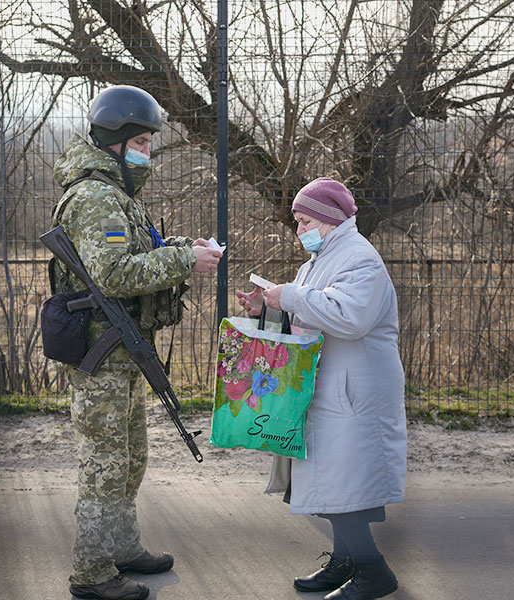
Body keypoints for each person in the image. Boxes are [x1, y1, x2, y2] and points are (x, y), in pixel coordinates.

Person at [50, 85, 223, 600]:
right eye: (143, 142)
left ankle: (120, 548)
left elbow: (136, 255)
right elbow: (113, 274)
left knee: (130, 459)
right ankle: (91, 572)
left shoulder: (118, 196)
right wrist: (184, 262)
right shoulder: (96, 197)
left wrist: (176, 250)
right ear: (116, 142)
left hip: (123, 356)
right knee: (105, 464)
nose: (149, 152)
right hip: (102, 359)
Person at [236, 177, 407, 600]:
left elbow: (350, 317)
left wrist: (289, 296)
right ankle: (346, 560)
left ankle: (372, 572)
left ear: (330, 220)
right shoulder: (322, 259)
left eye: (305, 220)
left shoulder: (360, 259)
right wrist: (269, 304)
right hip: (333, 388)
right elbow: (312, 312)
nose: (300, 231)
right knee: (334, 483)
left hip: (356, 393)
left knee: (341, 484)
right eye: (297, 221)